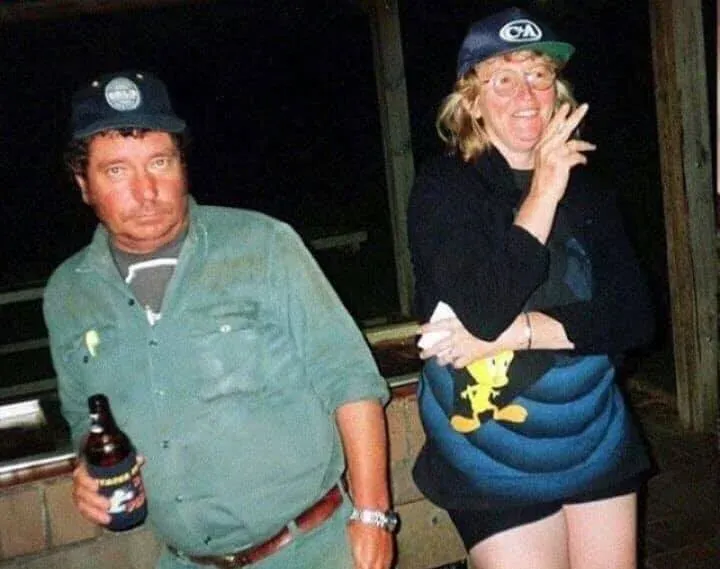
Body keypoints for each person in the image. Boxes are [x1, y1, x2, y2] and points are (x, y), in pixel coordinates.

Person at [43, 70, 397, 569]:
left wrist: (374, 515)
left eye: (160, 162)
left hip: (312, 548)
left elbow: (350, 379)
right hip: (185, 560)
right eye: (117, 171)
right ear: (84, 184)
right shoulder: (68, 292)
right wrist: (88, 468)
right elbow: (85, 417)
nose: (146, 191)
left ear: (182, 165)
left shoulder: (264, 245)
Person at [407, 7, 655, 569]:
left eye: (538, 75)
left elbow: (633, 317)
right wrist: (543, 189)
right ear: (472, 100)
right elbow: (484, 309)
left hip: (594, 437)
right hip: (487, 451)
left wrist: (517, 334)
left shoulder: (587, 191)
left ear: (557, 91)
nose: (526, 94)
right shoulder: (445, 188)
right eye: (503, 79)